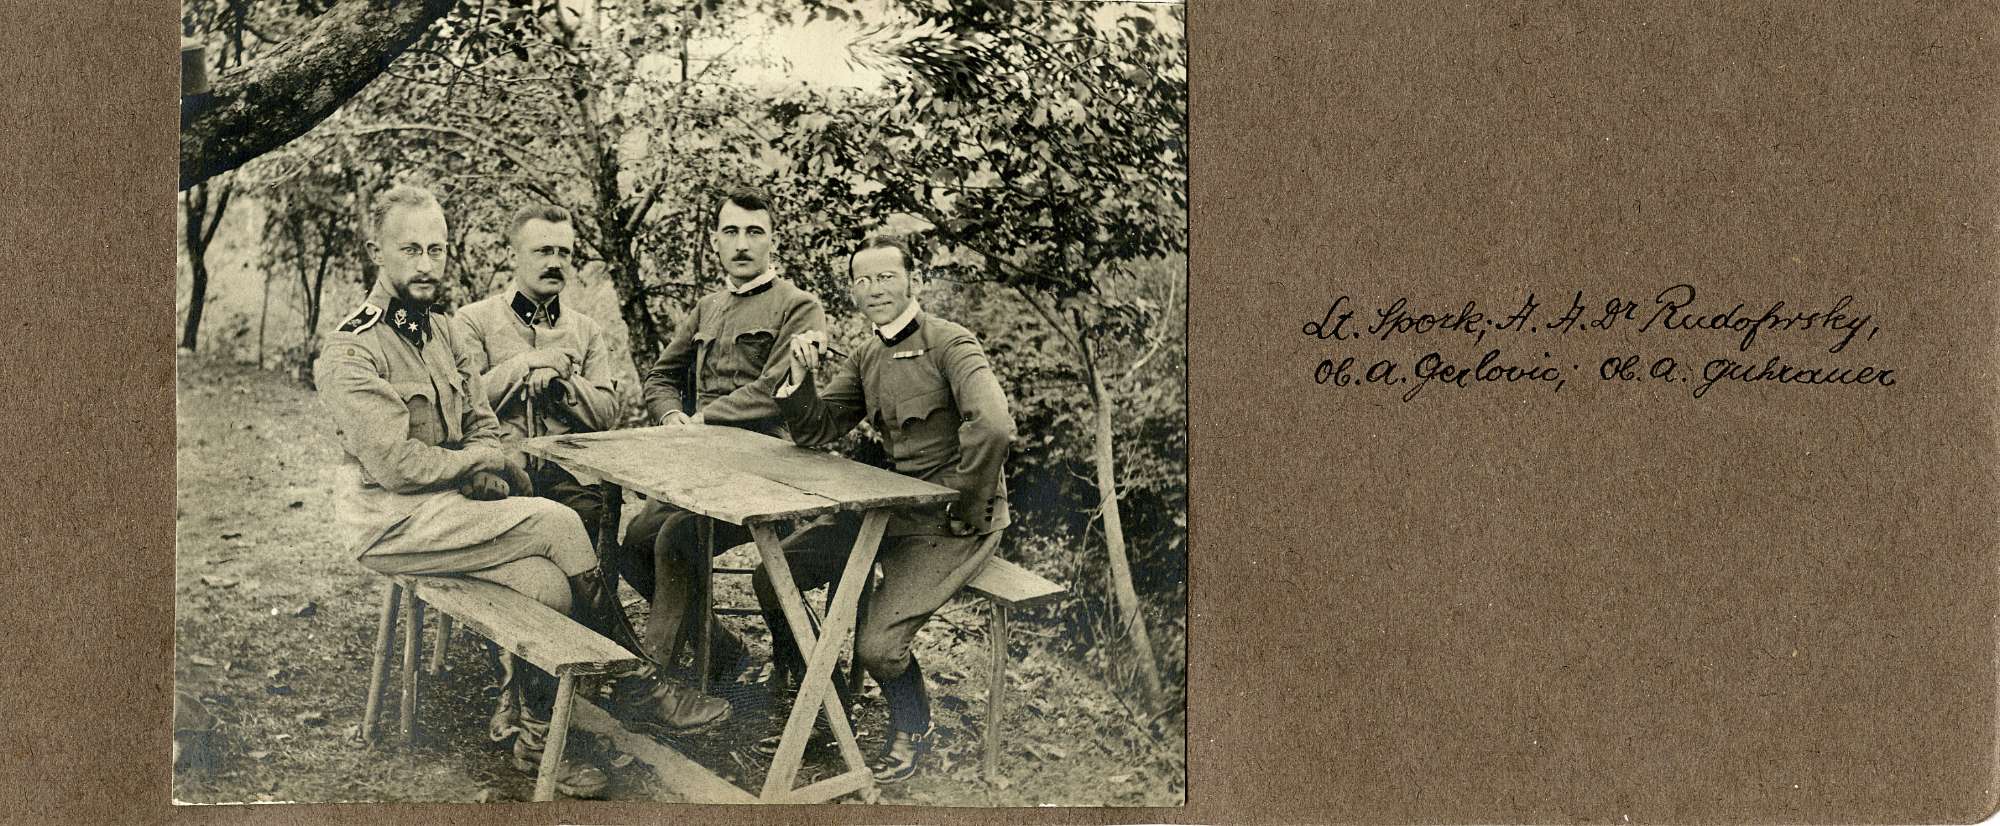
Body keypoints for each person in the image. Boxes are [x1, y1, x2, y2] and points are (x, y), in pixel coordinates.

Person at [315, 183, 613, 797]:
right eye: (410, 250)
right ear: (376, 252)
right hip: (390, 522)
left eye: (437, 249)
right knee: (557, 522)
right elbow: (398, 466)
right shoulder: (351, 348)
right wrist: (480, 460)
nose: (426, 264)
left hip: (447, 513)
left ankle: (537, 742)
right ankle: (636, 679)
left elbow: (480, 422)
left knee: (549, 586)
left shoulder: (444, 333)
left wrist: (479, 459)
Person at [451, 202, 729, 731]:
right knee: (539, 559)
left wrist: (562, 383)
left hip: (569, 478)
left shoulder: (585, 331)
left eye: (564, 252)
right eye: (542, 251)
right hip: (501, 477)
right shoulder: (474, 321)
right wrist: (524, 364)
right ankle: (549, 687)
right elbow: (465, 402)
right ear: (514, 255)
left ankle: (584, 678)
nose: (554, 262)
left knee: (585, 534)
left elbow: (607, 411)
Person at [764, 235, 1016, 783]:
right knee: (775, 574)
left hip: (954, 520)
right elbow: (818, 429)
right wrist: (800, 381)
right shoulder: (867, 356)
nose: (874, 289)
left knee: (879, 647)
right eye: (863, 280)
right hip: (892, 509)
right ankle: (822, 700)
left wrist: (968, 508)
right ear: (852, 293)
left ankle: (913, 727)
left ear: (912, 281)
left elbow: (994, 426)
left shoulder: (951, 343)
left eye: (886, 277)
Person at [620, 186, 828, 687]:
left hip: (768, 472)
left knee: (675, 538)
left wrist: (703, 419)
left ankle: (655, 681)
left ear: (773, 241)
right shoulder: (707, 307)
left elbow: (774, 389)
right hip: (701, 466)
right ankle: (723, 650)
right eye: (730, 231)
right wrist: (673, 417)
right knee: (634, 544)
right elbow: (660, 377)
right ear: (715, 240)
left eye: (754, 232)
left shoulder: (799, 306)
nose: (742, 243)